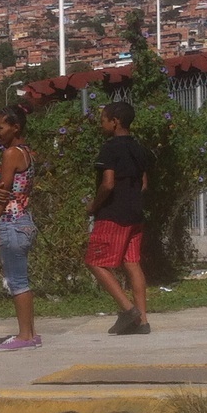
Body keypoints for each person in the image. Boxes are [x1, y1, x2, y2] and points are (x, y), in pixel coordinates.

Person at [85, 100, 152, 335]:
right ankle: (142, 321)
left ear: (115, 122)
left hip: (113, 215)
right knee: (131, 263)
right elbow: (143, 184)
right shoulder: (139, 148)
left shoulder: (110, 148)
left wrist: (94, 205)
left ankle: (128, 310)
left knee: (95, 262)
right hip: (135, 214)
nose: (101, 123)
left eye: (103, 119)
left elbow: (108, 183)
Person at [0, 106, 40, 352]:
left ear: (15, 127)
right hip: (24, 220)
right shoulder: (28, 152)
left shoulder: (10, 154)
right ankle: (30, 333)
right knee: (20, 279)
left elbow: (2, 196)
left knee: (17, 281)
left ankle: (25, 336)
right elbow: (2, 188)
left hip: (11, 222)